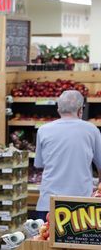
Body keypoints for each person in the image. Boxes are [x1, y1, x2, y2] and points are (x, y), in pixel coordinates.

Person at [34, 90, 101, 221]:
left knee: (45, 239)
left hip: (48, 203)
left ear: (58, 109)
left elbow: (39, 164)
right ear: (80, 110)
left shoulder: (43, 130)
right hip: (81, 204)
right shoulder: (91, 130)